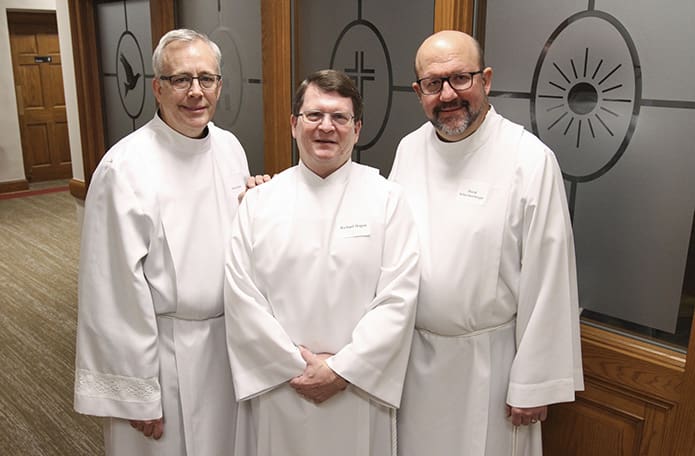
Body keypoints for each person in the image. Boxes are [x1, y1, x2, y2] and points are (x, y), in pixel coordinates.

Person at [390, 30, 584, 456]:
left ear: (486, 80)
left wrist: (534, 382)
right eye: (433, 83)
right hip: (412, 361)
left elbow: (549, 275)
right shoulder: (407, 150)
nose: (448, 94)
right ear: (417, 90)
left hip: (489, 370)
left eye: (461, 78)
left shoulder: (529, 160)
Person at [224, 69, 420, 456]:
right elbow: (241, 296)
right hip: (280, 388)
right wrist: (292, 366)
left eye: (339, 117)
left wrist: (342, 370)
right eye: (314, 116)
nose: (326, 127)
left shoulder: (388, 201)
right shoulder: (260, 203)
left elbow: (399, 298)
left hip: (358, 389)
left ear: (357, 128)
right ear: (294, 124)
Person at [73, 29, 251, 455]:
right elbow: (111, 290)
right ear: (157, 87)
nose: (196, 92)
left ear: (220, 86)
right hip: (164, 357)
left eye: (206, 79)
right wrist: (137, 391)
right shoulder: (125, 168)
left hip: (228, 347)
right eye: (181, 80)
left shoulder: (230, 148)